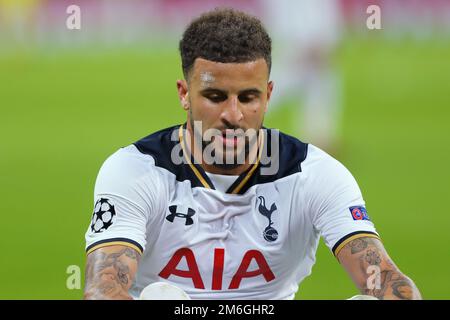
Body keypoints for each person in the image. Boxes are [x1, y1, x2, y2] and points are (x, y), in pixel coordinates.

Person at [84, 8, 421, 300]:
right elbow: (103, 288)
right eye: (215, 96)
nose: (233, 115)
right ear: (184, 94)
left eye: (248, 97)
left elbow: (390, 283)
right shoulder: (135, 170)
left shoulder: (313, 174)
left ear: (269, 95)